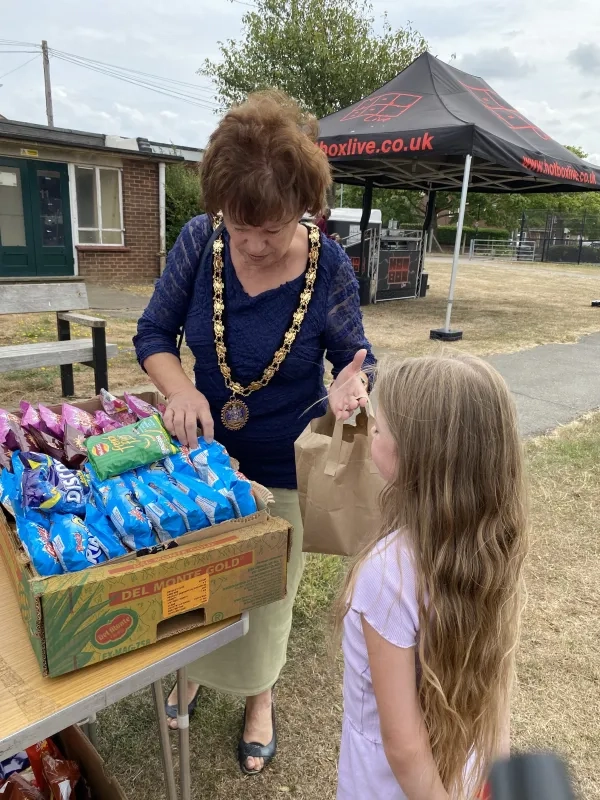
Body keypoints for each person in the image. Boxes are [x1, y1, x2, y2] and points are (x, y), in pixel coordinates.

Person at [133, 90, 375, 775]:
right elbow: (152, 333)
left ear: (304, 207)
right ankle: (194, 672)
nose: (257, 245)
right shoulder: (197, 242)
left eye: (272, 228)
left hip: (283, 467)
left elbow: (356, 357)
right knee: (195, 583)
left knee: (268, 595)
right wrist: (178, 388)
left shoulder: (328, 267)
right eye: (242, 227)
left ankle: (258, 693)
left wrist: (351, 388)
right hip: (201, 459)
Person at [335, 355, 529, 800]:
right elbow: (498, 690)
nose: (372, 435)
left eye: (379, 430)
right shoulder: (493, 542)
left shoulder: (384, 574)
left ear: (416, 458)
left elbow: (403, 747)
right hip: (467, 773)